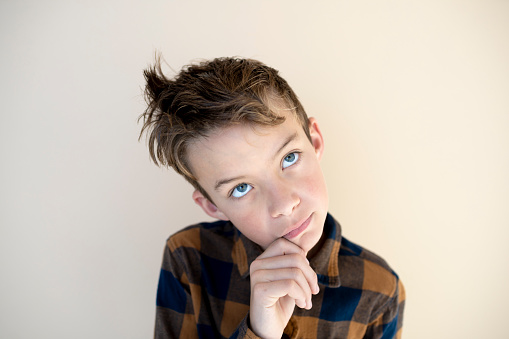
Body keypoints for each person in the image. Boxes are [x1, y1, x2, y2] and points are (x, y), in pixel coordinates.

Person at [139, 56, 405, 338]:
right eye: (241, 188)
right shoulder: (189, 259)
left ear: (314, 142)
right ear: (212, 206)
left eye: (289, 158)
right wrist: (260, 332)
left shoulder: (380, 292)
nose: (283, 205)